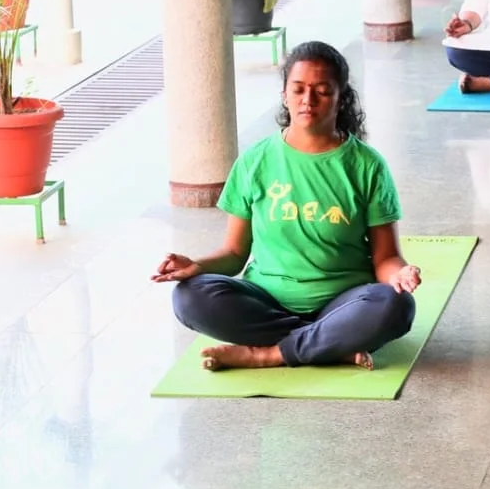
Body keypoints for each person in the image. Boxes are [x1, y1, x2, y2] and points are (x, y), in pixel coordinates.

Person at [152, 42, 419, 371]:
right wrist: (197, 265)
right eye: (299, 89)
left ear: (340, 97)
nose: (308, 101)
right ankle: (327, 344)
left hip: (344, 301)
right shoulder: (255, 161)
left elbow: (385, 258)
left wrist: (400, 274)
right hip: (267, 301)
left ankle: (271, 353)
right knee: (188, 297)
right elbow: (235, 253)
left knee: (395, 305)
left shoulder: (366, 165)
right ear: (284, 94)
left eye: (322, 91)